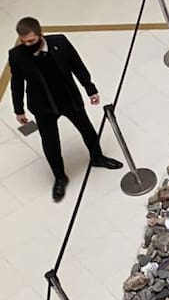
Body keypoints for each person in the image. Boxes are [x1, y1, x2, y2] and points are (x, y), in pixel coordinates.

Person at [8, 17, 123, 201]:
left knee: (87, 129)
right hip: (43, 106)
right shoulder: (17, 55)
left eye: (31, 40)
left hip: (68, 98)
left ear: (40, 34)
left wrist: (90, 88)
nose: (28, 45)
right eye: (24, 42)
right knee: (50, 143)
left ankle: (97, 157)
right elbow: (17, 83)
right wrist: (19, 110)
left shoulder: (60, 42)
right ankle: (60, 177)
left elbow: (77, 65)